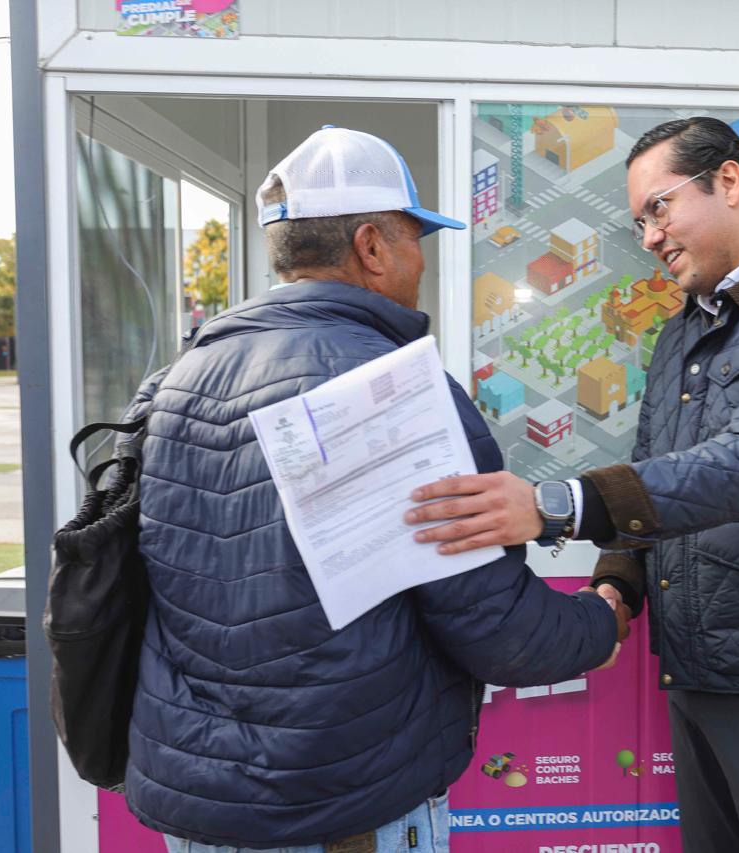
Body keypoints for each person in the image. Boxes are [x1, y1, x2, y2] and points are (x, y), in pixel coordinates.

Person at [124, 126, 627, 853]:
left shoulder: (176, 381)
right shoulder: (389, 395)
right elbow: (496, 629)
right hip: (341, 806)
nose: (421, 260)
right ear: (371, 245)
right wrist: (599, 621)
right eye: (414, 237)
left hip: (201, 805)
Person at [406, 117, 739, 853]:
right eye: (637, 222)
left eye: (659, 207)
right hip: (694, 664)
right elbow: (654, 462)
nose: (651, 236)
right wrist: (618, 587)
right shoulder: (685, 328)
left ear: (728, 182)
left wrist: (550, 505)